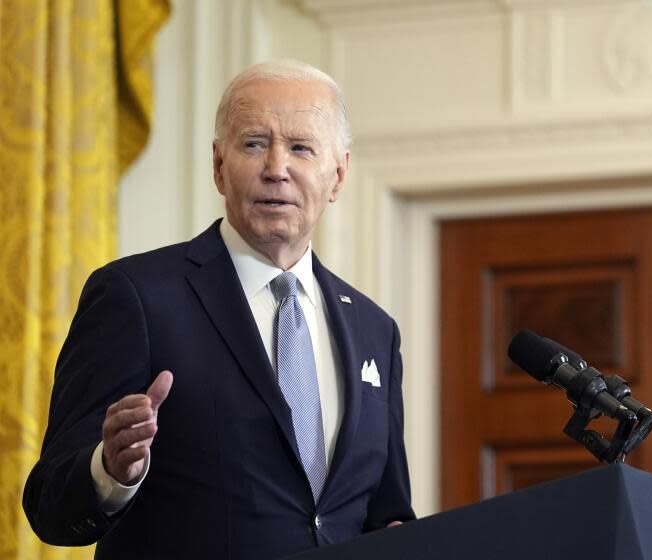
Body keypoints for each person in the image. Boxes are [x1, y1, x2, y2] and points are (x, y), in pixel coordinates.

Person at [23, 59, 415, 559]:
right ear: (218, 166)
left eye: (300, 147)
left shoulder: (374, 330)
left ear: (337, 175)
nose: (277, 168)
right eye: (254, 144)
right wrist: (110, 469)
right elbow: (49, 503)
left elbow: (389, 515)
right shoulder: (135, 297)